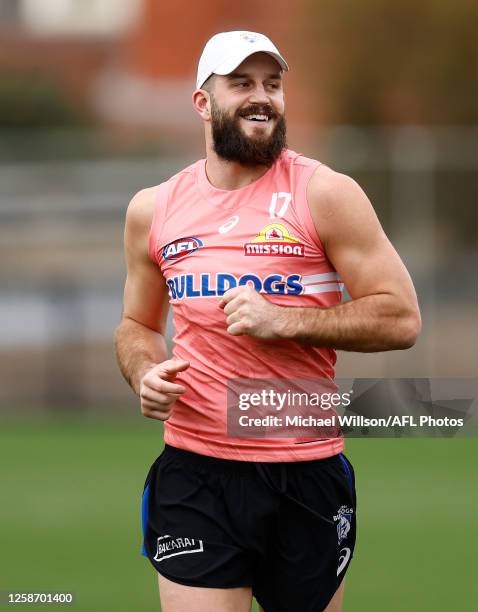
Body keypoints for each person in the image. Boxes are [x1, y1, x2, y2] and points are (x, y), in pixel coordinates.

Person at [115, 30, 421, 612]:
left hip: (305, 472)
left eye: (273, 84)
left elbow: (401, 317)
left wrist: (284, 320)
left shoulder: (326, 194)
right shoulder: (154, 209)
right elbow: (136, 324)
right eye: (242, 84)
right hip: (196, 469)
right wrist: (144, 373)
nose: (262, 97)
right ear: (203, 103)